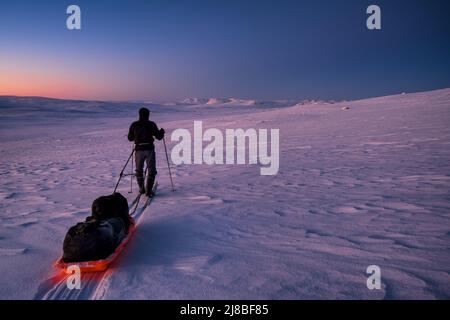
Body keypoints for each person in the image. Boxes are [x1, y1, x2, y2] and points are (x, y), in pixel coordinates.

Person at [128, 107, 165, 196]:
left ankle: (142, 189)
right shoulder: (151, 124)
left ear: (139, 114)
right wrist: (162, 132)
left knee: (139, 170)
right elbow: (159, 137)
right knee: (151, 170)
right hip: (149, 149)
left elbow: (130, 138)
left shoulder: (134, 124)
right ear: (148, 115)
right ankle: (148, 191)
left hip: (138, 150)